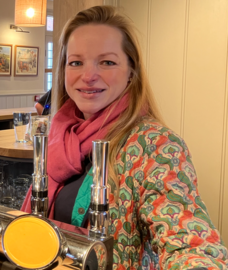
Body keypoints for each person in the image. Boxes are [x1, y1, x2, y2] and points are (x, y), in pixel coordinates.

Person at [21, 6, 227, 269]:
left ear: (131, 71)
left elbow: (188, 242)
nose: (88, 75)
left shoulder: (155, 145)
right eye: (76, 62)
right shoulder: (60, 136)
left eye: (107, 62)